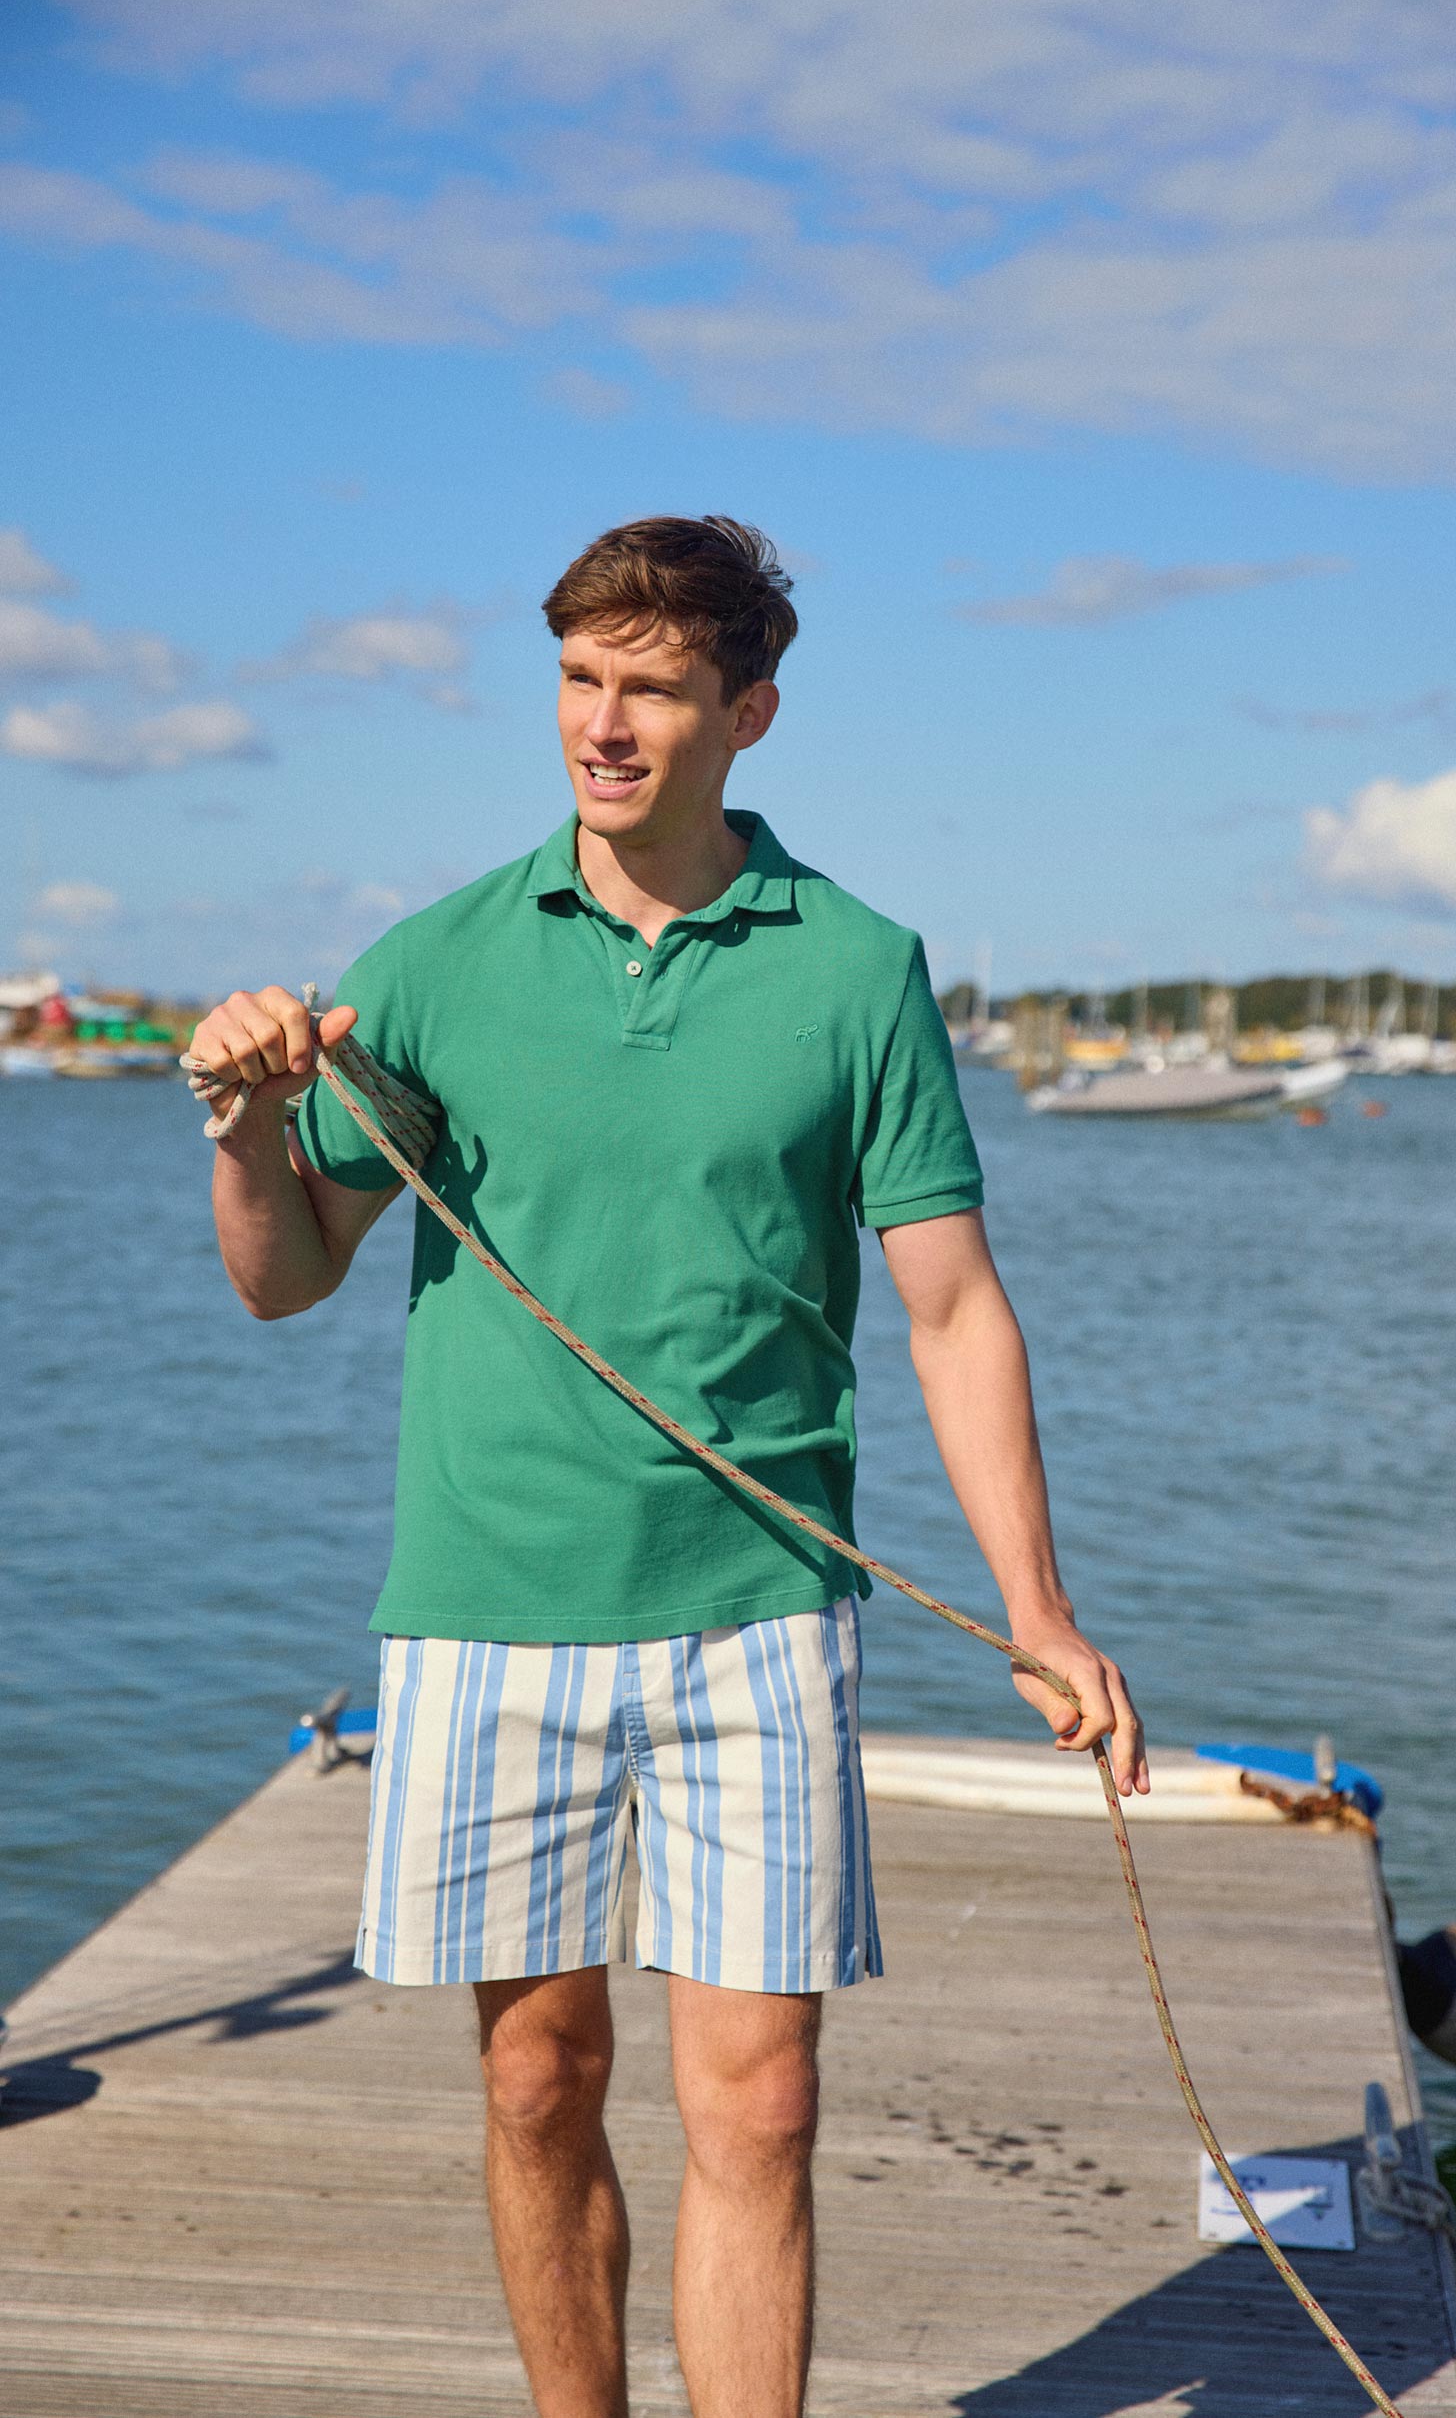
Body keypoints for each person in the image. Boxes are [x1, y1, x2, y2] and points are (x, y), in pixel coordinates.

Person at [192, 514, 1147, 2418]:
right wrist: (243, 1126)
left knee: (763, 2105)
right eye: (577, 681)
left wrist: (1038, 1610)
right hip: (491, 1607)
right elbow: (290, 1274)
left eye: (651, 686)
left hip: (757, 1619)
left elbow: (954, 1310)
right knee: (538, 2076)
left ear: (749, 711)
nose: (603, 726)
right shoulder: (439, 962)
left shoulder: (860, 967)